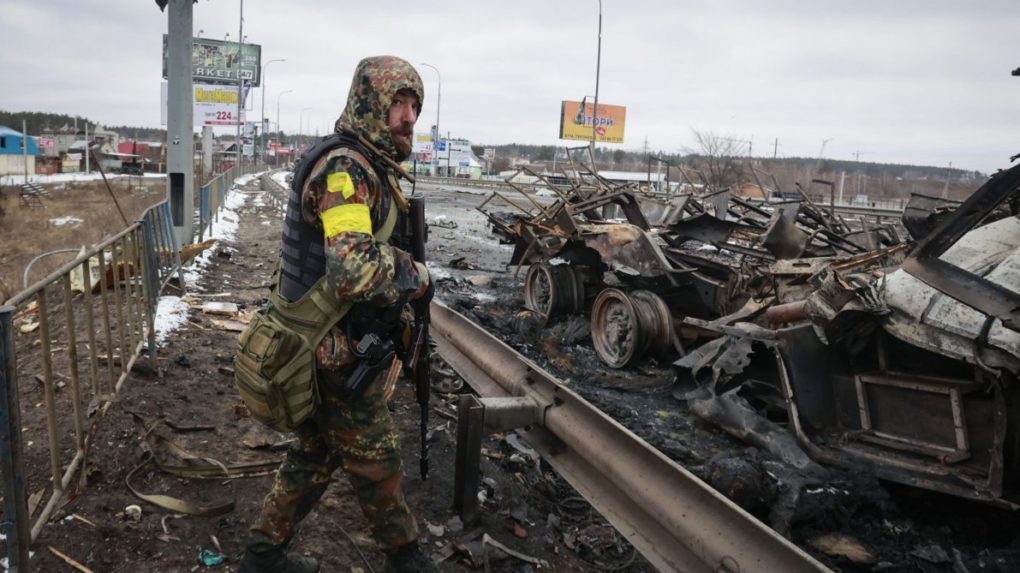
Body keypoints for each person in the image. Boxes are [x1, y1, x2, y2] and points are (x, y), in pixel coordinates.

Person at [237, 55, 437, 573]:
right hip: (328, 350)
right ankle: (406, 557)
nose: (409, 116)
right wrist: (417, 274)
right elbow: (352, 268)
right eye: (397, 103)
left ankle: (261, 556)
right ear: (369, 103)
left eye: (415, 104)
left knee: (316, 453)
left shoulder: (366, 166)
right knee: (376, 460)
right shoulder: (346, 170)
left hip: (329, 342)